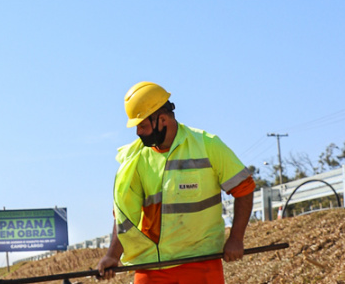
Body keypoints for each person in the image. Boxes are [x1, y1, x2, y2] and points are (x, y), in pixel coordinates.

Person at [96, 82, 255, 284]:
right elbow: (124, 218)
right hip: (152, 266)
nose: (138, 132)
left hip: (200, 262)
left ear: (162, 120)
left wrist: (236, 238)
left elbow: (244, 188)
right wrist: (112, 255)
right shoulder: (134, 160)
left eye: (142, 125)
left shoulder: (207, 145)